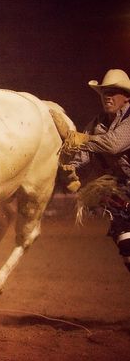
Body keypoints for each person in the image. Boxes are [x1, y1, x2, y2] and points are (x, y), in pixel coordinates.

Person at [56, 68, 130, 272]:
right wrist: (66, 168)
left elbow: (113, 144)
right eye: (105, 92)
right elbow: (82, 156)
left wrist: (82, 139)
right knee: (126, 248)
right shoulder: (96, 123)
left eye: (114, 91)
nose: (108, 96)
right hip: (122, 191)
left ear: (126, 97)